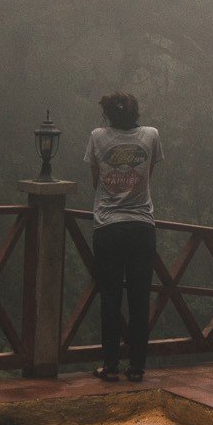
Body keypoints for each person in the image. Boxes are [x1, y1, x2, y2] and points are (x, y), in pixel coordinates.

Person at [83, 92, 162, 381]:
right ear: (136, 112)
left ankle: (111, 366)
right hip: (142, 227)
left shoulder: (97, 137)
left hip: (108, 227)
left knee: (110, 300)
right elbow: (147, 175)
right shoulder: (151, 135)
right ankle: (137, 367)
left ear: (108, 114)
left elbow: (95, 182)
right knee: (140, 299)